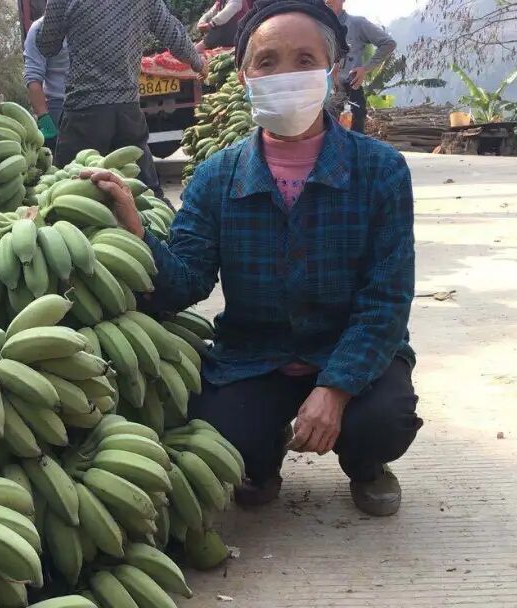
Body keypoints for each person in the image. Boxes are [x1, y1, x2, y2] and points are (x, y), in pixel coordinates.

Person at [79, 0, 422, 517]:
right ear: (243, 76)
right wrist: (135, 227)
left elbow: (387, 299)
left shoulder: (380, 170)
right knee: (220, 439)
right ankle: (263, 457)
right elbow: (185, 281)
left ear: (332, 71)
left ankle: (366, 464)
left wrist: (335, 389)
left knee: (383, 420)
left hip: (348, 345)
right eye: (267, 61)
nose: (285, 74)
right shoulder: (216, 176)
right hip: (257, 354)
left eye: (305, 60)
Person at [37, 0, 207, 197]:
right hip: (127, 111)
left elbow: (46, 45)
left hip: (84, 112)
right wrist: (198, 62)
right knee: (146, 195)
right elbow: (172, 33)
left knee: (68, 195)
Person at [323, 0, 396, 133]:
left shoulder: (357, 24)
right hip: (322, 95)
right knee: (324, 140)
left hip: (350, 94)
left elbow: (388, 43)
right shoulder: (316, 27)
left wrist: (366, 68)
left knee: (354, 139)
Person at [23, 17, 69, 150]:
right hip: (59, 108)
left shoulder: (89, 22)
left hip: (95, 106)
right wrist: (45, 120)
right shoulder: (41, 28)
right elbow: (33, 78)